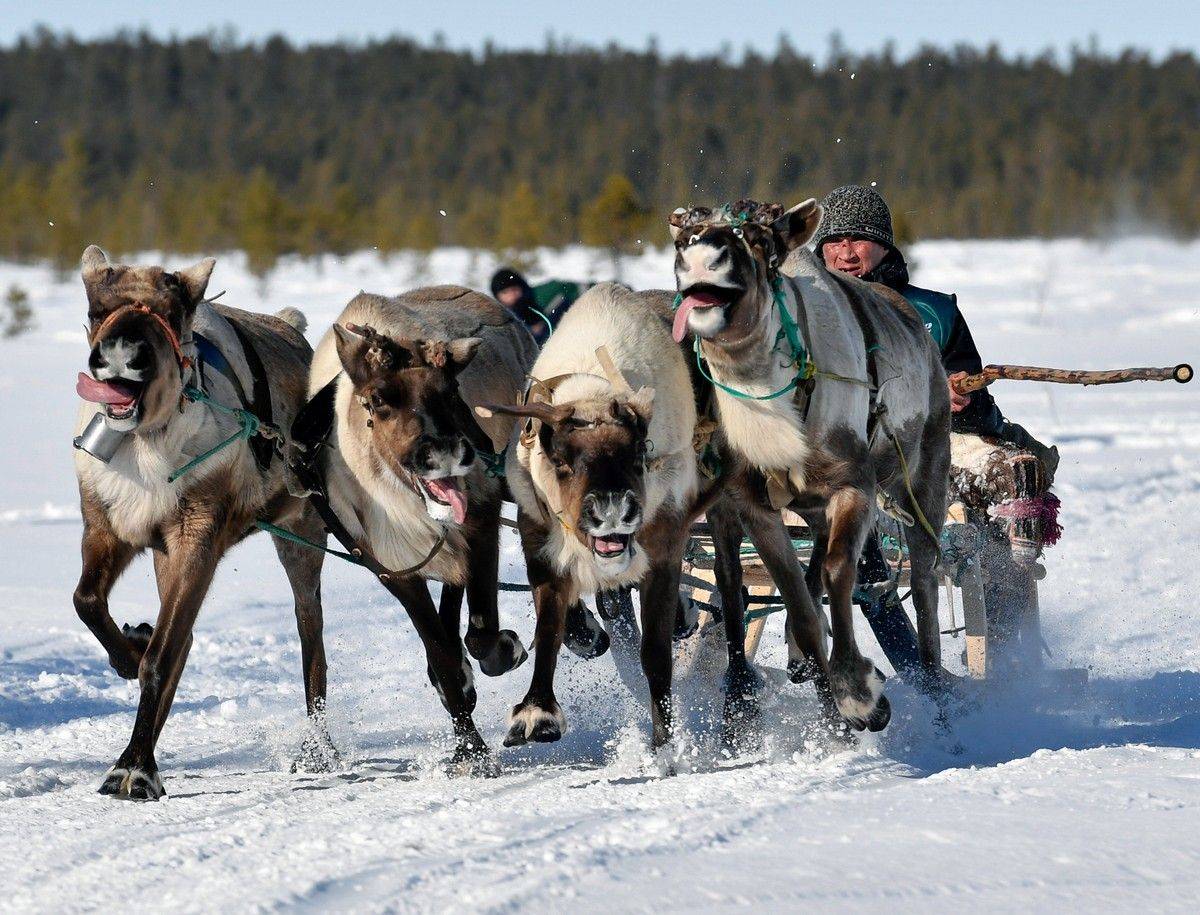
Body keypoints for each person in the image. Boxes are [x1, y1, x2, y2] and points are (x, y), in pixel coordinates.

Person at [812, 184, 1058, 477]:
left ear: (884, 244)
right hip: (828, 454)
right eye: (835, 241)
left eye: (859, 239)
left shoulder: (935, 313)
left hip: (924, 451)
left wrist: (960, 402)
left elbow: (981, 413)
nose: (846, 253)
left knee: (1012, 471)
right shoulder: (802, 312)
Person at [490, 268, 589, 345]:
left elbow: (581, 289)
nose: (512, 295)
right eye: (505, 292)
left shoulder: (542, 296)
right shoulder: (501, 318)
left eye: (514, 289)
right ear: (497, 296)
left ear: (522, 287)